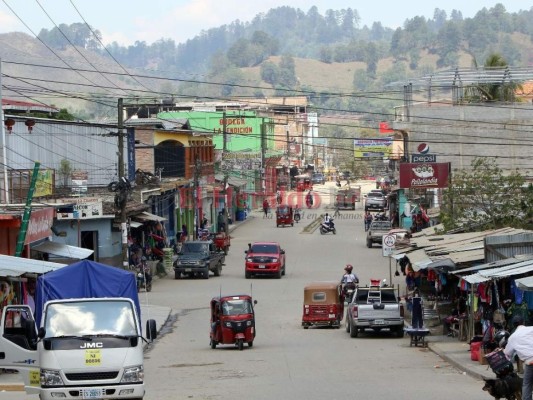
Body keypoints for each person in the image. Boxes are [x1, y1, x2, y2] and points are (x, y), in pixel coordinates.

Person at [504, 316, 533, 400]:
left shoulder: (512, 337)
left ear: (513, 325)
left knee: (527, 383)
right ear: (523, 322)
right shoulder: (531, 329)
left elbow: (507, 353)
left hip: (530, 362)